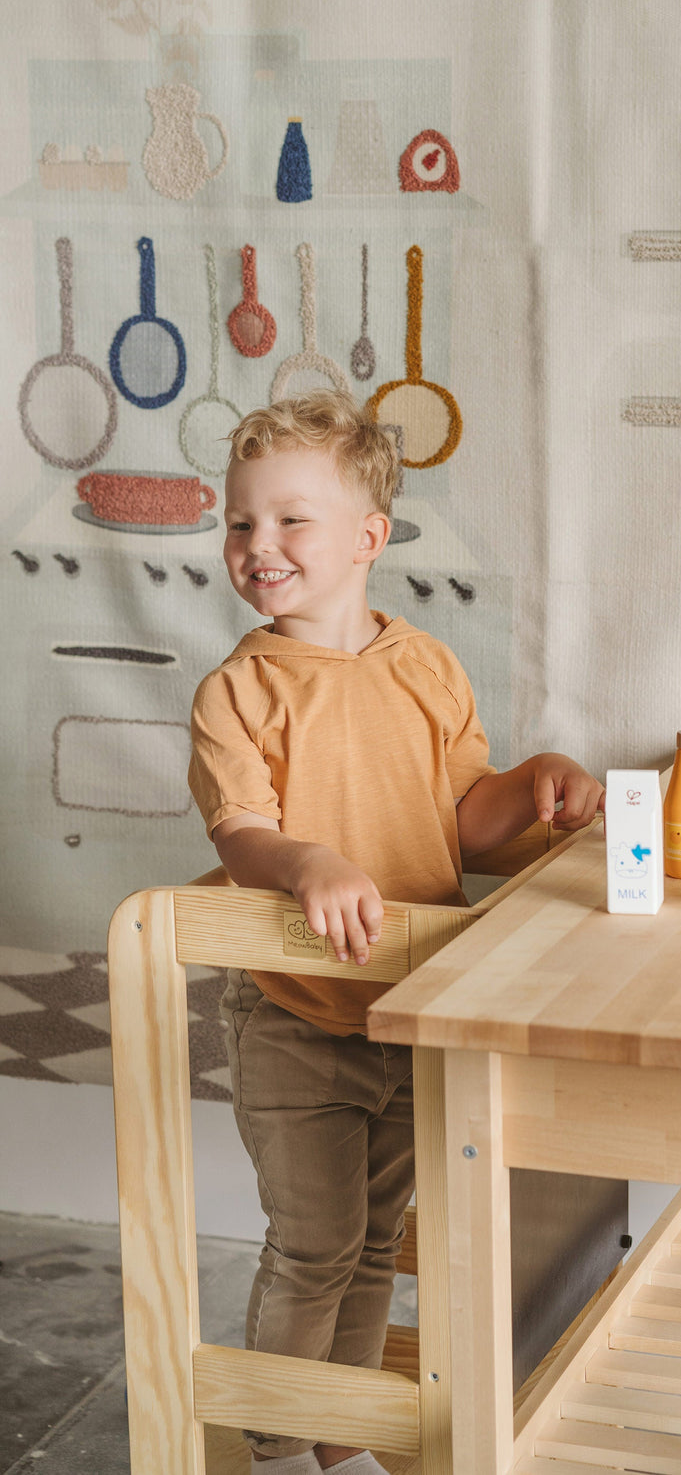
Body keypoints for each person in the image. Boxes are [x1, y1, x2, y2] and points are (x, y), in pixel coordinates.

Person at [188, 391, 603, 1475]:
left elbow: (461, 818)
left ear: (368, 539)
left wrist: (537, 784)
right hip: (294, 1016)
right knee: (314, 1243)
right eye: (240, 523)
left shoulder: (426, 669)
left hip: (411, 1010)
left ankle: (342, 1441)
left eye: (290, 521)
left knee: (373, 1244)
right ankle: (274, 1450)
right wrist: (307, 862)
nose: (257, 546)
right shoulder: (236, 692)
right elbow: (242, 835)